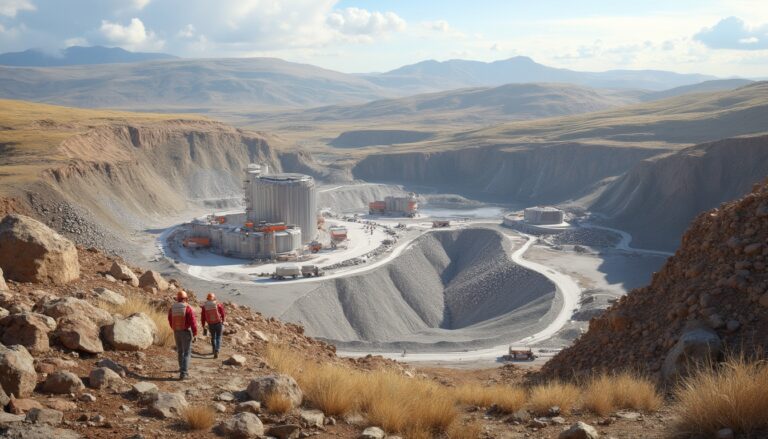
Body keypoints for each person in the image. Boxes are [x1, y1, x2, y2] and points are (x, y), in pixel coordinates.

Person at [168, 290, 197, 380]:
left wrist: (174, 328)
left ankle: (181, 368)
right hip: (185, 332)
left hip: (176, 331)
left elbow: (169, 319)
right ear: (185, 299)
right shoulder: (187, 308)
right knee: (187, 352)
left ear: (178, 298)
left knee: (180, 351)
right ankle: (184, 373)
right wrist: (195, 333)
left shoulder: (172, 308)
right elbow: (193, 322)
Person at [200, 293, 226, 358]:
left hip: (210, 323)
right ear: (214, 298)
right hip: (218, 323)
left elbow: (203, 317)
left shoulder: (204, 306)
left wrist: (203, 325)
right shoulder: (218, 305)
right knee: (219, 337)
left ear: (207, 298)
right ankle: (217, 350)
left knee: (213, 337)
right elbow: (223, 314)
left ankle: (214, 350)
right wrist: (223, 321)